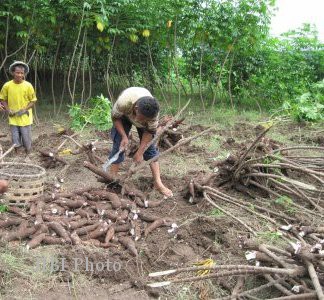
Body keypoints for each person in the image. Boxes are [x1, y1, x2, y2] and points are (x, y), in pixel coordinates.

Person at [108, 87, 173, 198]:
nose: (141, 122)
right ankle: (111, 179)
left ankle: (158, 183)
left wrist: (140, 152)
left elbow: (149, 132)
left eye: (145, 120)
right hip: (123, 115)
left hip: (142, 116)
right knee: (118, 145)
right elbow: (115, 118)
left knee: (150, 149)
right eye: (141, 118)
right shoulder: (124, 102)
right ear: (136, 108)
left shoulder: (152, 116)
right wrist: (124, 136)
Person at [0, 61, 37, 155]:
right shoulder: (7, 85)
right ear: (13, 73)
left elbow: (33, 100)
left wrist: (25, 109)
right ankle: (17, 154)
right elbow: (3, 99)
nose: (20, 75)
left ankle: (28, 154)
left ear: (24, 74)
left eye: (22, 73)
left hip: (25, 117)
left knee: (26, 137)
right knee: (15, 137)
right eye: (17, 72)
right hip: (13, 117)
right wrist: (8, 109)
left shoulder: (28, 85)